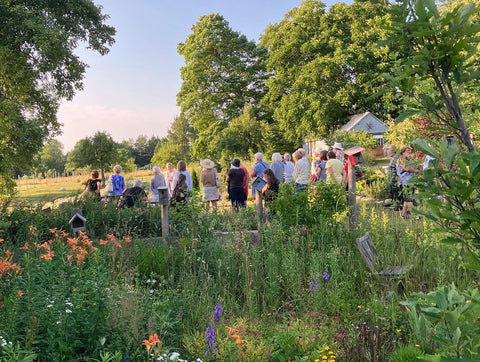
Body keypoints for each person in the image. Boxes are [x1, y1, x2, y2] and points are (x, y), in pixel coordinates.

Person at [397, 146, 419, 218]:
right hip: (405, 182)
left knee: (407, 200)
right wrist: (416, 171)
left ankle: (402, 215)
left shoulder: (411, 159)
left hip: (411, 181)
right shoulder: (400, 160)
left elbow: (417, 166)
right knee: (409, 200)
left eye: (410, 151)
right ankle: (415, 216)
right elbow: (407, 169)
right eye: (407, 151)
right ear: (403, 152)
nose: (409, 152)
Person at [386, 144, 402, 210]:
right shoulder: (393, 157)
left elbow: (397, 168)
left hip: (395, 179)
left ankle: (398, 206)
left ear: (392, 150)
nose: (387, 150)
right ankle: (394, 204)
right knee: (393, 192)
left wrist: (394, 179)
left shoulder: (396, 157)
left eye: (388, 149)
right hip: (392, 179)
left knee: (396, 192)